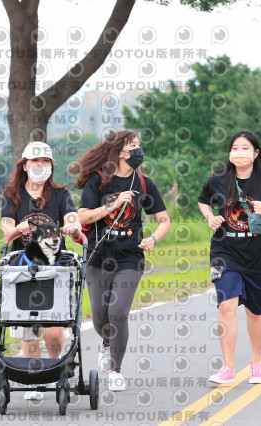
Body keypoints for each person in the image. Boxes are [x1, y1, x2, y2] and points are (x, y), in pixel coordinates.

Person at [71, 130, 171, 391]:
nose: (138, 150)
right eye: (132, 145)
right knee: (100, 318)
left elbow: (164, 220)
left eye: (138, 145)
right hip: (99, 256)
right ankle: (106, 343)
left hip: (130, 256)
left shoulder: (144, 183)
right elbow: (81, 216)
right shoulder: (99, 180)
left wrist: (154, 238)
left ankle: (116, 370)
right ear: (119, 152)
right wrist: (111, 206)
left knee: (118, 313)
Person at [197, 130, 261, 385]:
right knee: (226, 305)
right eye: (235, 148)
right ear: (229, 153)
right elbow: (203, 201)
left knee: (255, 312)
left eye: (245, 148)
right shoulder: (218, 179)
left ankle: (256, 363)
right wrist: (210, 217)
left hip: (260, 253)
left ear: (255, 153)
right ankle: (228, 368)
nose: (239, 152)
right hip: (225, 251)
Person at [0, 141, 82, 400]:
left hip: (55, 268)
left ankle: (53, 368)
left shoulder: (60, 194)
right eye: (35, 162)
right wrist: (17, 229)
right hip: (23, 269)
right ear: (25, 166)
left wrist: (72, 226)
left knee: (54, 329)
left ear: (51, 166)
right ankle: (34, 380)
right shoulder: (12, 196)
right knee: (27, 326)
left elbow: (71, 217)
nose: (40, 166)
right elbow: (6, 229)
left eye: (45, 162)